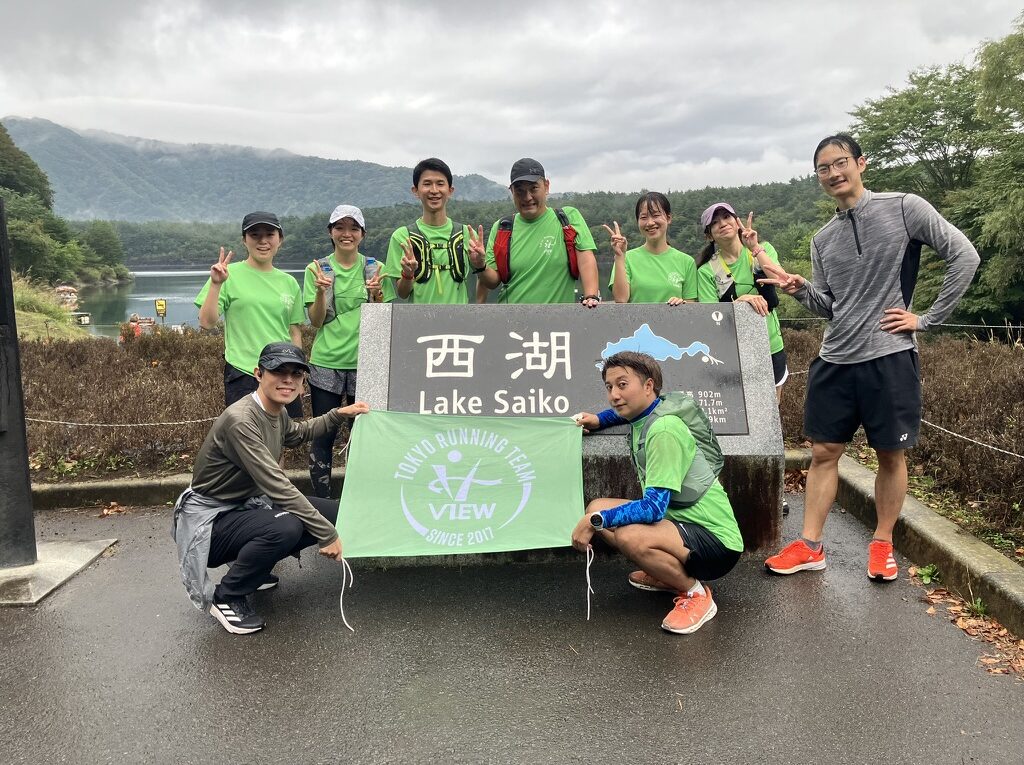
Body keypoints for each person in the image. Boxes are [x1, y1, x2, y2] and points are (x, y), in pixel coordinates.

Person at [761, 133, 980, 582]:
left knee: (890, 454)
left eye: (840, 162)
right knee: (824, 452)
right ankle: (810, 545)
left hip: (888, 355)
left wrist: (926, 319)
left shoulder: (904, 208)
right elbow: (831, 306)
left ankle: (882, 543)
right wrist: (801, 289)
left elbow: (964, 256)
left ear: (861, 163)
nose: (833, 173)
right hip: (835, 358)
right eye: (823, 168)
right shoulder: (823, 239)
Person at [171, 342, 369, 635]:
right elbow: (278, 487)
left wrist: (339, 414)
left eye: (296, 374)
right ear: (258, 374)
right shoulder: (241, 420)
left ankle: (253, 569)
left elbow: (297, 433)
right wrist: (326, 534)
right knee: (287, 526)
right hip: (211, 523)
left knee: (334, 513)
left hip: (244, 507)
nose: (288, 380)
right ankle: (228, 596)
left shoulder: (276, 411)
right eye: (278, 372)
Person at [570, 351, 743, 634]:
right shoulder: (648, 414)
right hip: (682, 525)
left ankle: (695, 594)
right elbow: (623, 413)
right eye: (609, 387)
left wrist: (595, 522)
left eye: (622, 385)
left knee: (627, 533)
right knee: (597, 506)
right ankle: (668, 574)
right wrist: (599, 420)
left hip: (717, 544)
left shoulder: (664, 430)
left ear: (648, 386)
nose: (614, 395)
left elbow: (653, 509)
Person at [303, 204, 383, 498]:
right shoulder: (316, 269)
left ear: (363, 234)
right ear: (330, 232)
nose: (346, 234)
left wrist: (376, 294)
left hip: (366, 364)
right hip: (326, 362)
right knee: (323, 434)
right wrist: (320, 292)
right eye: (340, 227)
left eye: (353, 228)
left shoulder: (375, 268)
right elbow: (315, 321)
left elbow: (380, 319)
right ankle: (322, 503)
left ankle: (358, 500)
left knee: (362, 436)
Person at [196, 211, 305, 419]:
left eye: (269, 235)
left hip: (284, 373)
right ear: (244, 240)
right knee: (245, 435)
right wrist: (216, 284)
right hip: (243, 372)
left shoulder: (289, 282)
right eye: (255, 235)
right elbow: (206, 322)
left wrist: (298, 375)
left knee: (287, 434)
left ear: (280, 240)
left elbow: (294, 332)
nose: (263, 241)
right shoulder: (227, 274)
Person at [472, 158, 601, 307]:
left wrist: (591, 296)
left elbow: (586, 260)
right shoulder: (502, 227)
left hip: (559, 319)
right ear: (511, 191)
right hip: (510, 318)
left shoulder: (568, 219)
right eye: (520, 191)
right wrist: (480, 265)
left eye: (533, 188)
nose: (527, 197)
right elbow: (493, 281)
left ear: (546, 187)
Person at [696, 203, 789, 400]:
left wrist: (754, 247)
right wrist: (740, 301)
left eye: (726, 217)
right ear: (709, 235)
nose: (722, 224)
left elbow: (781, 280)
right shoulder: (706, 272)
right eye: (715, 223)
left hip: (772, 345)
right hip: (734, 352)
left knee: (773, 408)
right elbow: (711, 318)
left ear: (736, 221)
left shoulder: (763, 250)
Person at [383, 158, 475, 305]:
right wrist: (408, 274)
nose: (434, 190)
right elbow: (402, 293)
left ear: (450, 191)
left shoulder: (467, 234)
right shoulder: (402, 236)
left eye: (440, 184)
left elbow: (487, 281)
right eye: (427, 184)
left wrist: (480, 264)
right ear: (416, 191)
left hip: (459, 317)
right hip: (418, 318)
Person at [605, 192, 697, 305]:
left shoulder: (687, 262)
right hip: (636, 317)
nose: (650, 222)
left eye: (656, 215)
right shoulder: (626, 258)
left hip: (673, 318)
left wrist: (682, 303)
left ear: (668, 218)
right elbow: (621, 299)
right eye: (644, 217)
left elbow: (691, 308)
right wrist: (619, 256)